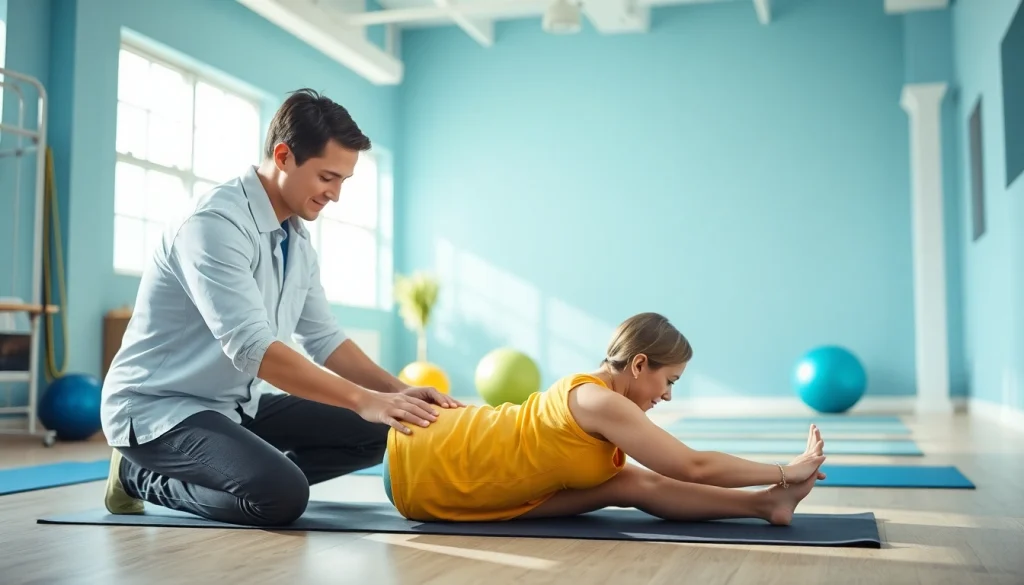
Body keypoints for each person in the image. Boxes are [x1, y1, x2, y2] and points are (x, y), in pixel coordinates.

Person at [100, 88, 461, 527]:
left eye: (343, 182)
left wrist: (395, 393)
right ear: (284, 155)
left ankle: (251, 470)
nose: (336, 195)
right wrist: (362, 399)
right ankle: (138, 474)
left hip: (236, 406)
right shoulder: (214, 225)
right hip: (160, 411)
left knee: (386, 428)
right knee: (281, 497)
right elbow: (254, 349)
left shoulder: (296, 239)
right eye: (327, 178)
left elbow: (324, 338)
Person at [383, 312, 827, 525]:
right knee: (635, 480)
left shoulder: (601, 398)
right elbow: (691, 466)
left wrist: (774, 489)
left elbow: (658, 479)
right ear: (638, 366)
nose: (668, 395)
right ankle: (772, 495)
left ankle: (764, 505)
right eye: (668, 381)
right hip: (421, 460)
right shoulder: (599, 402)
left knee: (629, 483)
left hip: (461, 468)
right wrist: (786, 470)